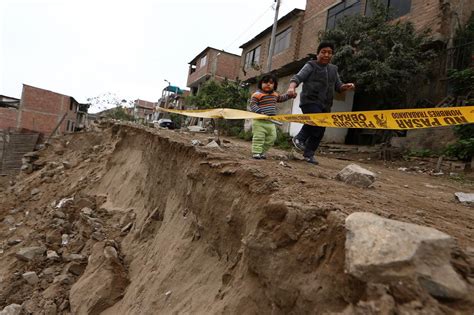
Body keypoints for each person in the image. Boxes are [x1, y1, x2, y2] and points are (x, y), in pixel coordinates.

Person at [287, 41, 355, 165]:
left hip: (326, 105)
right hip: (310, 101)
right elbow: (297, 78)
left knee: (320, 130)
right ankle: (299, 138)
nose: (326, 55)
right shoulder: (311, 65)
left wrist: (346, 86)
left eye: (329, 53)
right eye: (323, 52)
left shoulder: (333, 69)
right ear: (317, 54)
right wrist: (292, 88)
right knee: (315, 120)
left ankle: (309, 154)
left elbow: (338, 86)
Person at [250, 74, 295, 159]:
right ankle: (256, 152)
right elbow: (253, 104)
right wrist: (259, 112)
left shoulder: (275, 94)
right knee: (259, 138)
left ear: (274, 85)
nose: (268, 84)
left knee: (272, 138)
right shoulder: (257, 94)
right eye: (265, 82)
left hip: (271, 122)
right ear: (260, 84)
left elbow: (281, 98)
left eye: (271, 83)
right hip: (259, 121)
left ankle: (262, 152)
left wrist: (290, 95)